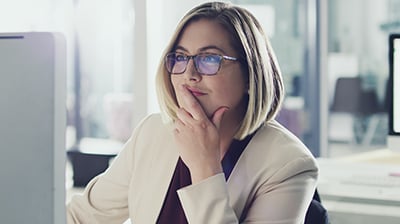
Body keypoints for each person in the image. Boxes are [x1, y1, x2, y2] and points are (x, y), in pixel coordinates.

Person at [67, 1, 319, 223]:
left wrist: (204, 168)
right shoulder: (152, 133)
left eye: (210, 59)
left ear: (249, 77)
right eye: (179, 57)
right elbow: (81, 218)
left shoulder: (288, 164)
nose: (189, 74)